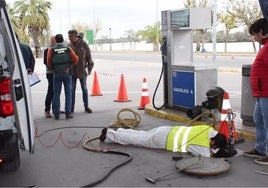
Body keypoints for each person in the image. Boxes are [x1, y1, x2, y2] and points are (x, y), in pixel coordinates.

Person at [99, 125, 227, 158]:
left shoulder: (208, 129)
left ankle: (118, 130)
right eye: (214, 145)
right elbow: (207, 155)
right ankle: (109, 135)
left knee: (142, 134)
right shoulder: (202, 147)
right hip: (164, 140)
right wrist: (215, 152)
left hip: (166, 130)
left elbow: (212, 139)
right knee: (138, 140)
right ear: (213, 143)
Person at [243, 18, 268, 165]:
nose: (254, 38)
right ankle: (260, 149)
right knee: (258, 119)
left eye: (255, 34)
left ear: (261, 32)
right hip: (261, 94)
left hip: (266, 93)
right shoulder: (265, 47)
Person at [47, 34, 78, 120]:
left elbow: (48, 61)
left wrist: (54, 68)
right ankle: (68, 113)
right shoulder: (68, 48)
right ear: (63, 40)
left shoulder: (51, 50)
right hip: (67, 73)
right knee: (68, 93)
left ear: (56, 40)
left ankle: (56, 114)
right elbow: (76, 59)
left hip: (56, 73)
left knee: (56, 94)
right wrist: (70, 66)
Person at [68, 29, 94, 113]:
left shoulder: (83, 44)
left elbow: (89, 57)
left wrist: (89, 68)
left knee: (84, 89)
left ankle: (86, 106)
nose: (69, 38)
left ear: (75, 37)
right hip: (72, 72)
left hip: (83, 71)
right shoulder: (69, 46)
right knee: (72, 90)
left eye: (70, 36)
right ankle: (71, 108)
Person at [43, 36, 57, 118]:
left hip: (57, 73)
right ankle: (47, 110)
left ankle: (55, 108)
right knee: (51, 91)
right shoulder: (47, 50)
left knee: (56, 91)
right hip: (50, 73)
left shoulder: (57, 50)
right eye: (55, 41)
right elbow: (45, 61)